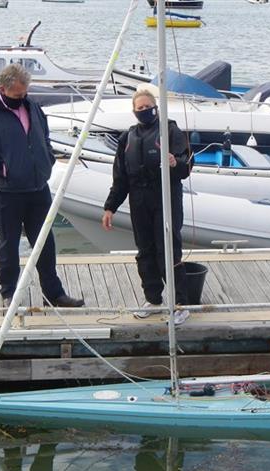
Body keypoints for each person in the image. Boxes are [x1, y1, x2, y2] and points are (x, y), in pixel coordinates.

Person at [0, 64, 84, 309]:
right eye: (17, 95)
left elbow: (44, 137)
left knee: (45, 242)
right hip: (7, 192)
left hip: (37, 187)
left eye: (24, 93)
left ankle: (54, 293)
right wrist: (2, 169)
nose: (22, 98)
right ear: (3, 89)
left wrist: (47, 159)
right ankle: (9, 293)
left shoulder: (33, 107)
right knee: (8, 245)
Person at [101, 89, 192, 325]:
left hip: (165, 198)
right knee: (145, 252)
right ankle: (153, 299)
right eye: (139, 108)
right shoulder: (127, 138)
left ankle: (180, 303)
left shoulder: (170, 130)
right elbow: (120, 177)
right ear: (134, 112)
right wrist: (110, 207)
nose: (143, 111)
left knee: (168, 250)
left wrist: (175, 162)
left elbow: (187, 165)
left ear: (156, 107)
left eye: (147, 107)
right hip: (139, 200)